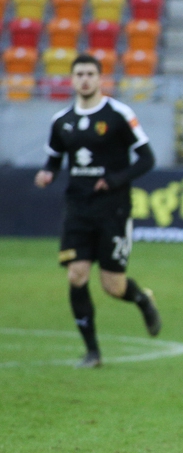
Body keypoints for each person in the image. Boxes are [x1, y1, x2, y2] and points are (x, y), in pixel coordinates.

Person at [34, 54, 161, 368]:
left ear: (100, 78)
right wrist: (47, 173)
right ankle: (92, 352)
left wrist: (115, 180)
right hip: (78, 208)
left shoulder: (118, 114)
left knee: (112, 285)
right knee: (77, 275)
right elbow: (54, 158)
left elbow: (147, 159)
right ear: (72, 79)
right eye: (79, 74)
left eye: (90, 73)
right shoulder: (61, 120)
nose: (85, 79)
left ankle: (142, 299)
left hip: (113, 209)